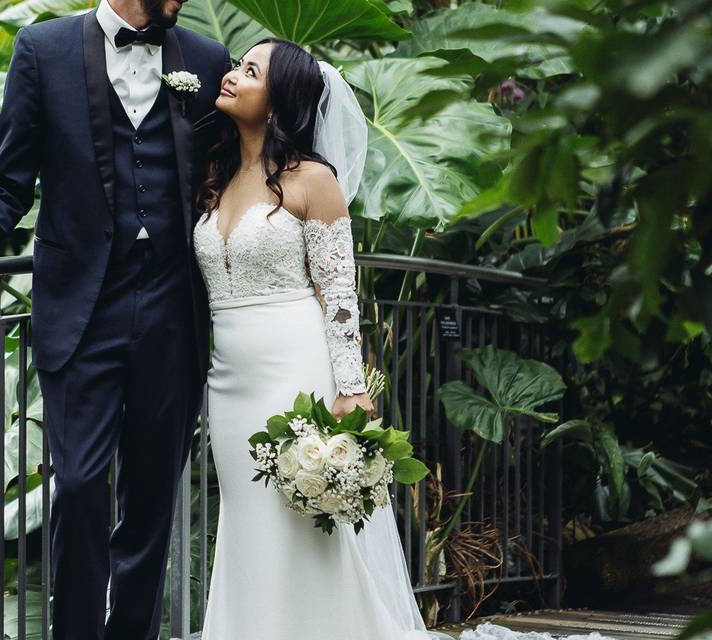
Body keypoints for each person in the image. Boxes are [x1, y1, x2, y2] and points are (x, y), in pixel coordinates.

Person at [193, 39, 614, 640]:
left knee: (302, 520)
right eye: (239, 65)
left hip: (293, 366)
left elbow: (339, 297)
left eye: (251, 71)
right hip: (228, 378)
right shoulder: (215, 176)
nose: (232, 75)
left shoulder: (313, 181)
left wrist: (349, 387)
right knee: (247, 520)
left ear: (279, 100)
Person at [0, 1, 230, 639]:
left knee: (152, 497)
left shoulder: (205, 59)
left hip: (172, 303)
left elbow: (229, 168)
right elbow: (7, 182)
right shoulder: (42, 50)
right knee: (78, 486)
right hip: (83, 306)